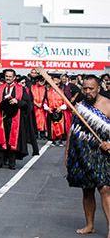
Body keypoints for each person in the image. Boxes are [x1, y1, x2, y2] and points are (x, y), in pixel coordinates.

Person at [65, 75, 110, 237]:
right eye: (85, 88)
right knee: (87, 191)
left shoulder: (108, 105)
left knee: (105, 189)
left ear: (99, 88)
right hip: (81, 154)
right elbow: (72, 130)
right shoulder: (80, 106)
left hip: (102, 155)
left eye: (91, 88)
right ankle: (90, 225)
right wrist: (67, 153)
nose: (87, 91)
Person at [0, 69, 30, 170]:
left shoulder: (21, 89)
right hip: (1, 118)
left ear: (14, 77)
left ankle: (12, 162)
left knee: (12, 140)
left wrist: (17, 101)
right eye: (6, 76)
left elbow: (26, 103)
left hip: (14, 118)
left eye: (10, 76)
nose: (8, 78)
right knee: (0, 139)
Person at [44, 75, 69, 146]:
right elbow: (45, 102)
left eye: (57, 84)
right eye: (54, 84)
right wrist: (47, 108)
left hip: (60, 112)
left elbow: (65, 103)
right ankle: (53, 140)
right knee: (52, 127)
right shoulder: (48, 92)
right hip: (51, 112)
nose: (56, 85)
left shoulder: (62, 92)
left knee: (60, 127)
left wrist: (61, 108)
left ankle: (60, 140)